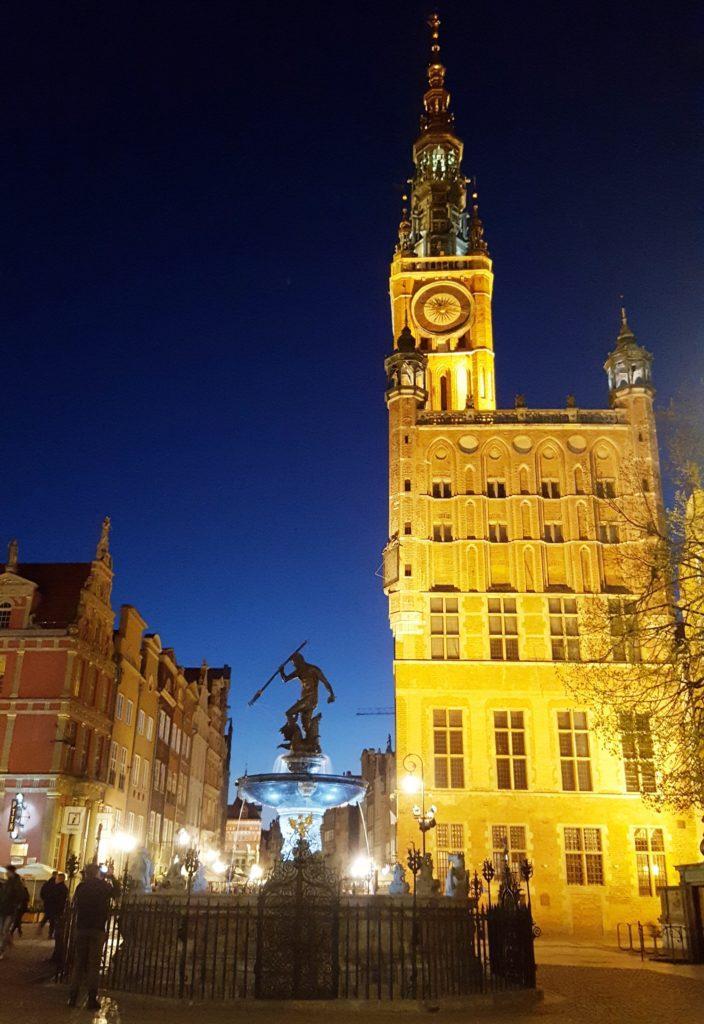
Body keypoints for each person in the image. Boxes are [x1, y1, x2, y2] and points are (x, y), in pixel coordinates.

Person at [67, 863, 112, 1009]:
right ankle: (92, 999)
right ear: (98, 873)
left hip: (82, 927)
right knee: (94, 965)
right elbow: (116, 892)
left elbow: (75, 902)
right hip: (97, 928)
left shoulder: (81, 887)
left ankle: (72, 998)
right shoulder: (103, 886)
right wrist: (110, 876)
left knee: (79, 963)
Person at [0, 865, 26, 958]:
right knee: (2, 931)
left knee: (4, 930)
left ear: (11, 872)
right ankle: (8, 941)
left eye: (7, 871)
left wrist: (15, 904)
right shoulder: (7, 882)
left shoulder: (17, 883)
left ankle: (1, 950)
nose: (6, 873)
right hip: (2, 909)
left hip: (10, 910)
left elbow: (22, 896)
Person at [38, 871, 58, 937]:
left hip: (47, 903)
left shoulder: (46, 883)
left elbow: (42, 893)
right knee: (52, 919)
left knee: (47, 916)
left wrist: (45, 899)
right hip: (53, 904)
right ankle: (50, 933)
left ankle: (41, 926)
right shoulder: (56, 885)